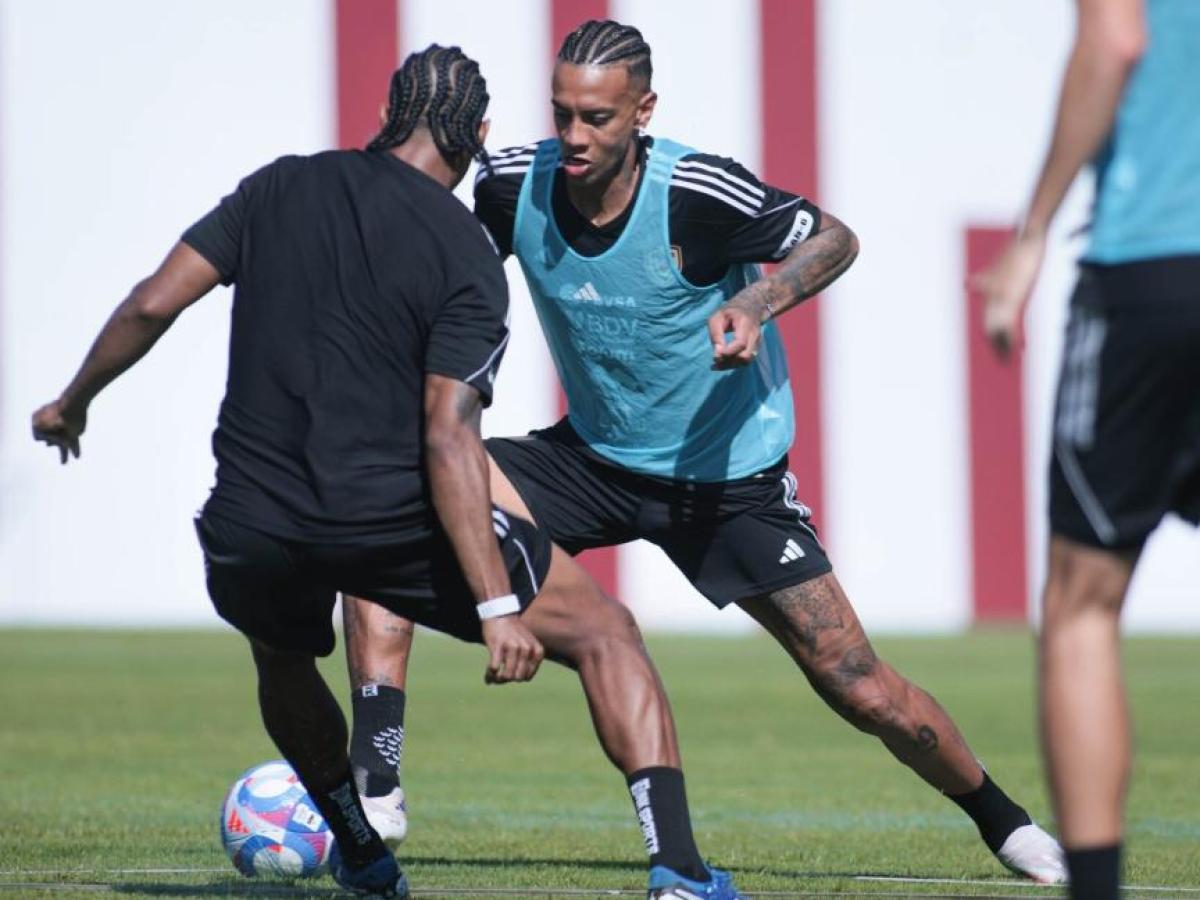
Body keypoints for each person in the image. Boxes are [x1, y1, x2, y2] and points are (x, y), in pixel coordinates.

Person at [343, 18, 1067, 888]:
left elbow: (834, 238)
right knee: (396, 497)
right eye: (563, 113)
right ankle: (375, 778)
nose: (574, 136)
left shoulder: (697, 192)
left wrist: (759, 303)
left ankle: (1007, 825)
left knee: (859, 684)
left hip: (726, 482)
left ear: (643, 111)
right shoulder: (510, 187)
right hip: (591, 461)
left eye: (599, 119)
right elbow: (423, 246)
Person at [32, 45, 745, 900]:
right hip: (382, 523)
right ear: (479, 136)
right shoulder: (464, 252)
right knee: (605, 634)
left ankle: (361, 849)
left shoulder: (277, 186)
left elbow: (154, 300)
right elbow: (449, 438)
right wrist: (493, 606)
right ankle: (678, 872)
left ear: (386, 112)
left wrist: (73, 401)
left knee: (285, 656)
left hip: (249, 524)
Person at [974, 1, 1200, 897]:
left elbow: (1115, 40)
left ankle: (1097, 889)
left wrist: (1032, 234)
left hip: (1155, 269)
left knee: (1081, 604)